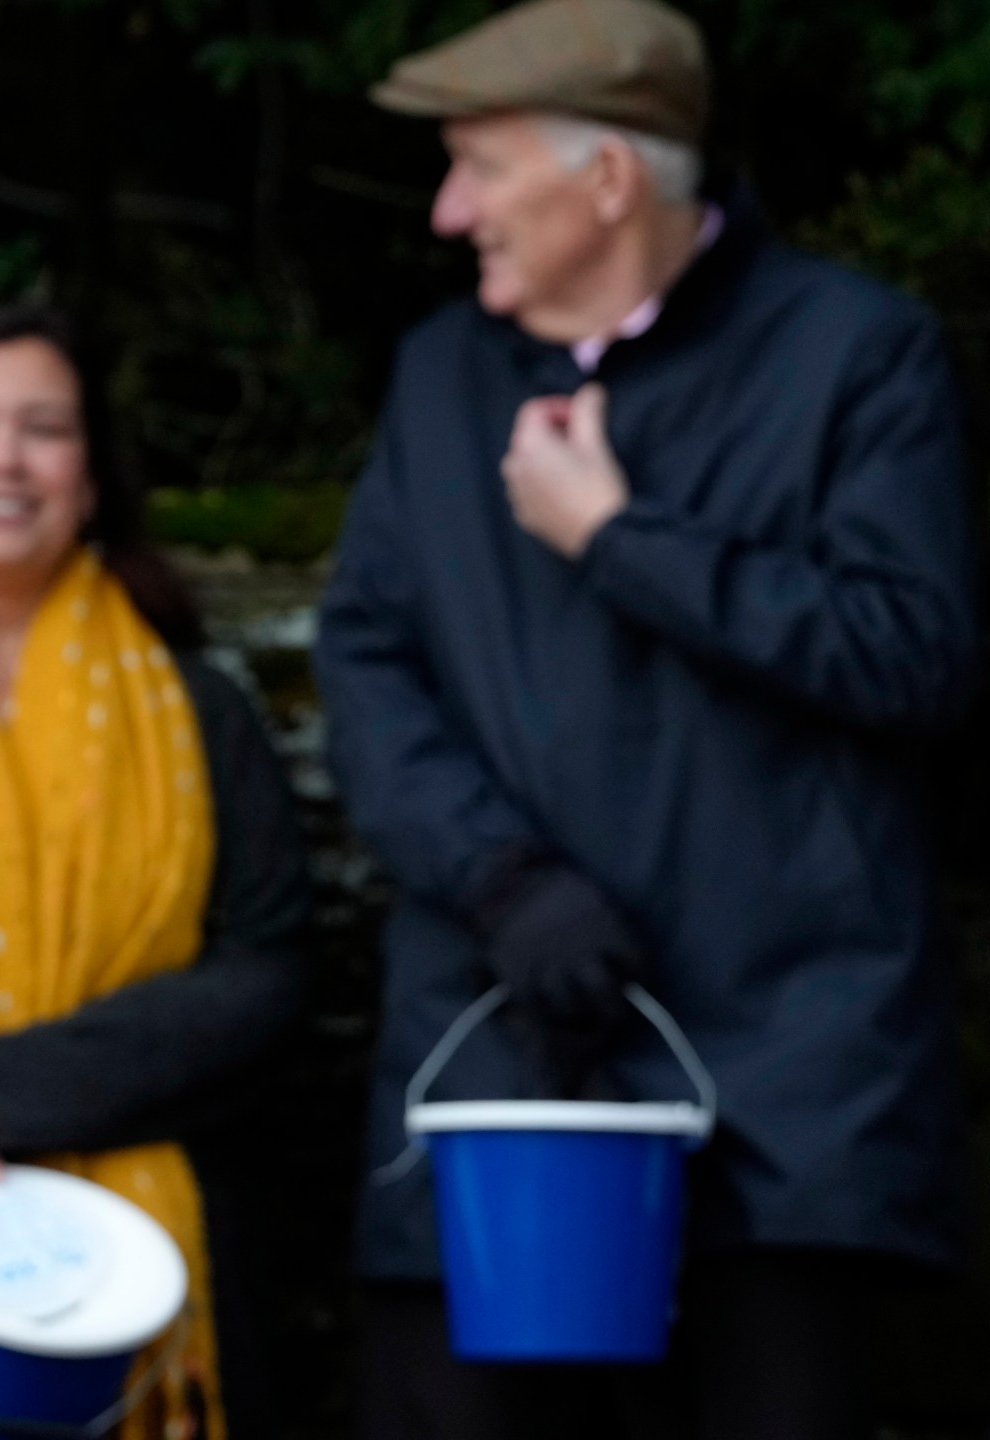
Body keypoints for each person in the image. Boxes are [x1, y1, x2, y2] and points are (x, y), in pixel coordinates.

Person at [317, 3, 979, 1437]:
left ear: (607, 179)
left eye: (480, 168)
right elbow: (367, 661)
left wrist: (624, 540)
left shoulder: (860, 356)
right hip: (495, 1083)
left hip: (797, 1115)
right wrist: (501, 875)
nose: (449, 211)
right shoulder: (442, 375)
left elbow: (918, 655)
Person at [0, 307, 311, 1440]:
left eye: (44, 429)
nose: (4, 458)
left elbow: (264, 972)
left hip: (154, 1232)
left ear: (90, 480)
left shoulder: (198, 708)